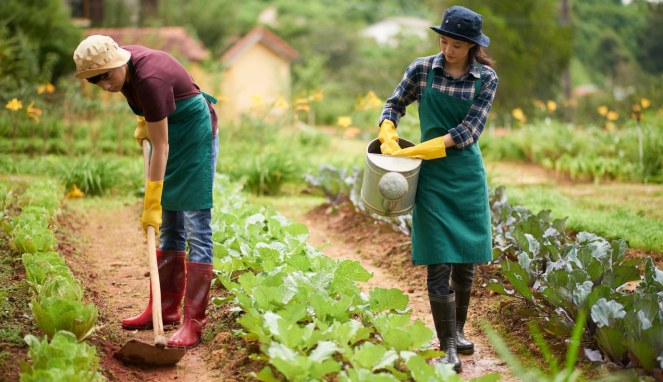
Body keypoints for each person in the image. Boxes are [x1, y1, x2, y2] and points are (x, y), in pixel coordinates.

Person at [73, 35, 219, 349]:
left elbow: (162, 147)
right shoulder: (126, 71)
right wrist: (146, 121)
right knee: (169, 226)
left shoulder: (149, 78)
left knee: (195, 225)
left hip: (193, 133)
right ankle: (163, 310)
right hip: (169, 130)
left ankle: (193, 322)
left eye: (107, 77)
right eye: (96, 81)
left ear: (119, 63)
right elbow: (156, 125)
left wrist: (152, 199)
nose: (106, 86)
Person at [377, 5, 498, 372]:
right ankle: (446, 345)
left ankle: (458, 331)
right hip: (429, 178)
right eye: (443, 41)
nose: (447, 50)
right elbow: (394, 104)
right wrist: (388, 129)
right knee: (438, 258)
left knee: (465, 259)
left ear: (472, 47)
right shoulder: (421, 69)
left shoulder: (486, 79)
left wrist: (420, 149)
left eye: (456, 46)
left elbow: (468, 132)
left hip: (464, 175)